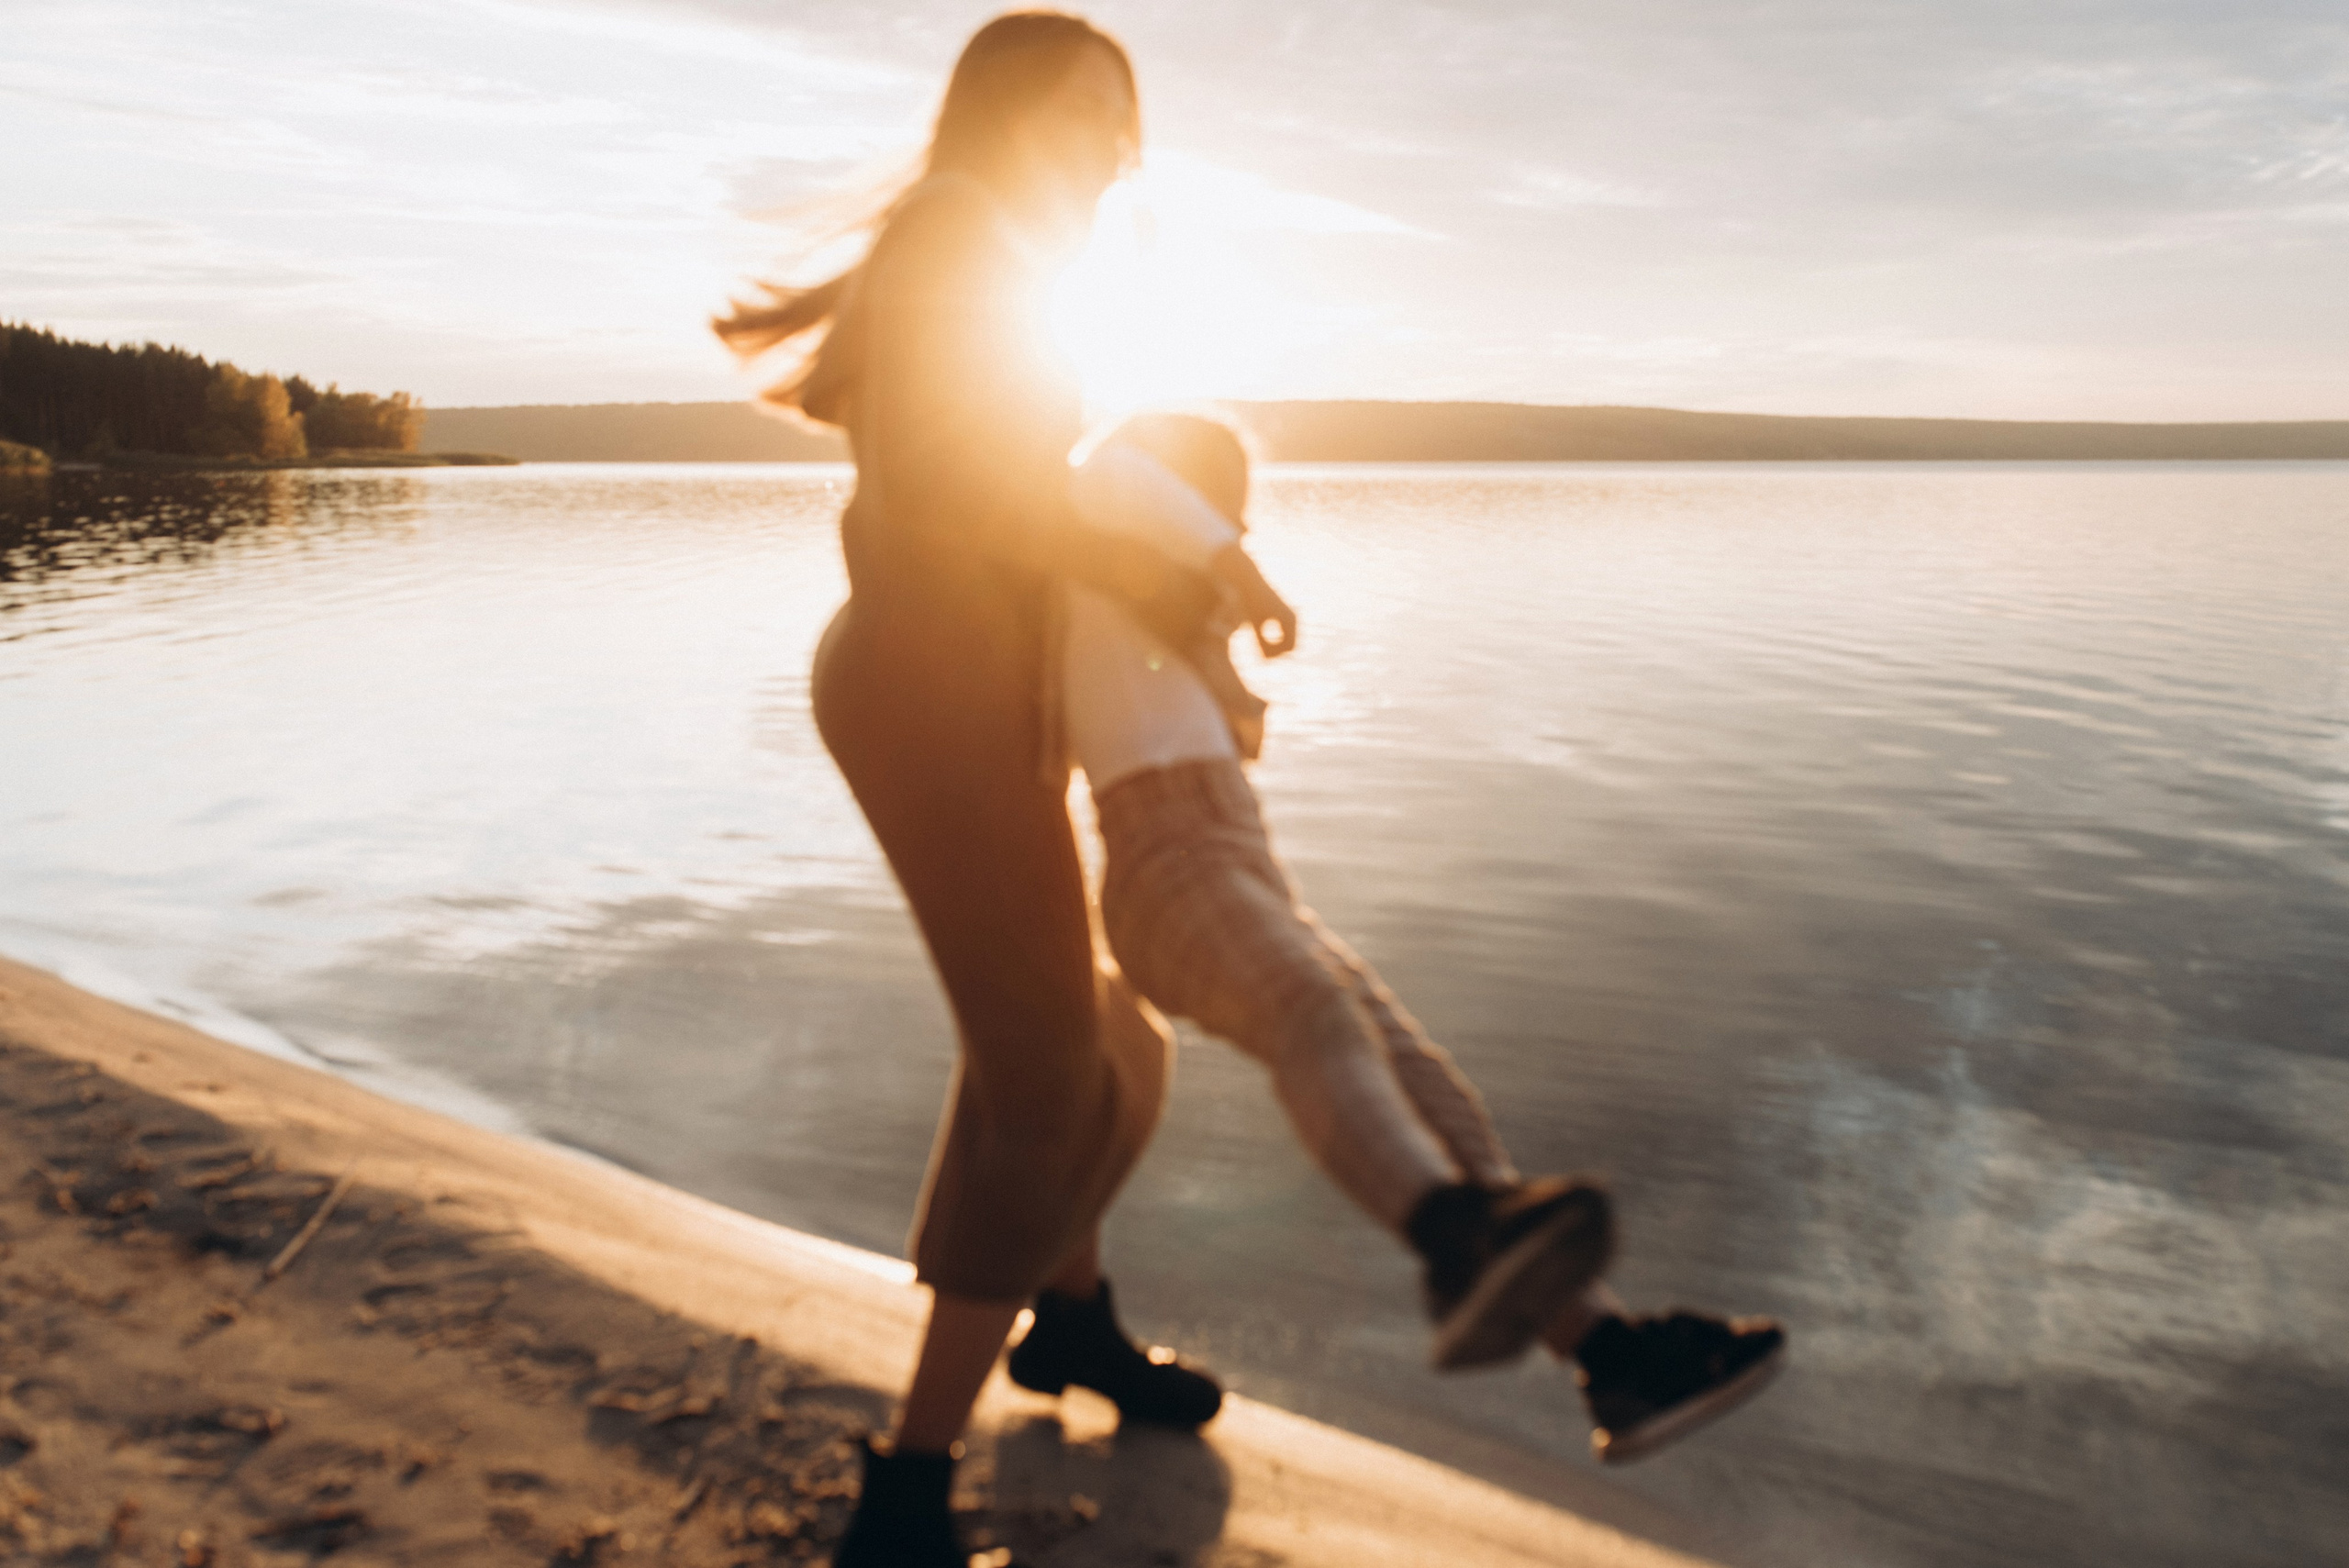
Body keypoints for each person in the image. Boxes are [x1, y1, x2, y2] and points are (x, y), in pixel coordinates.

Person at [715, 16, 1611, 1566]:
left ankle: (1072, 1325)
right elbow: (959, 491)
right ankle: (908, 1490)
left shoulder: (998, 248)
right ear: (999, 111)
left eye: (1122, 130)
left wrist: (1182, 592)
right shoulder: (959, 236)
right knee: (1054, 1074)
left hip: (981, 687)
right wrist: (1177, 560)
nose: (1105, 153)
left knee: (1104, 1031)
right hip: (930, 694)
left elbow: (1014, 496)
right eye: (1079, 116)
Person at [1030, 414, 1787, 1464]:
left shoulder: (1147, 604)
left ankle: (1606, 1348)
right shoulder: (1089, 544)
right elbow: (1114, 472)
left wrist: (1209, 629)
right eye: (1225, 501)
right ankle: (1448, 1236)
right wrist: (1244, 577)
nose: (1235, 521)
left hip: (1234, 864)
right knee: (1312, 1011)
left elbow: (1226, 714)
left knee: (1419, 1077)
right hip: (1165, 867)